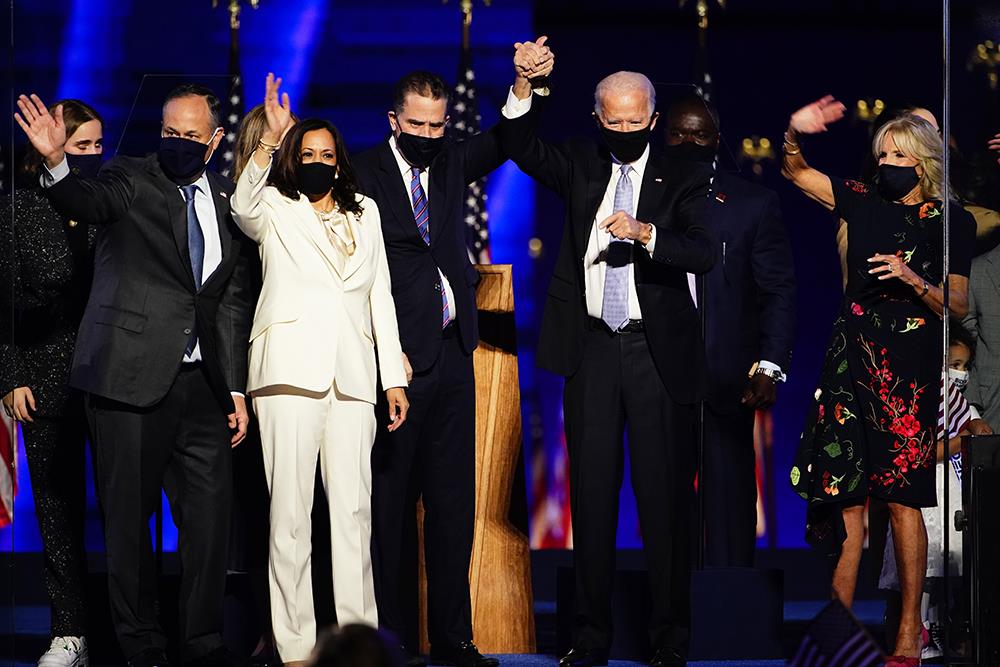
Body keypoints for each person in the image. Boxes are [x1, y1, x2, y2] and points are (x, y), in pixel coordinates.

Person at [14, 86, 252, 667]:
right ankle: (142, 645)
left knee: (209, 522)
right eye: (170, 133)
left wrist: (235, 387)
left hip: (203, 388)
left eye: (191, 136)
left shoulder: (226, 197)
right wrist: (56, 161)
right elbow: (87, 199)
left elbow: (228, 300)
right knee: (128, 524)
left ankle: (203, 642)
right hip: (129, 379)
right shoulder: (130, 177)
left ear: (214, 140)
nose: (178, 143)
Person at [500, 42, 714, 665]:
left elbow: (702, 252)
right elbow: (518, 145)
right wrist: (524, 86)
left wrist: (646, 233)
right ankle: (590, 639)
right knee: (591, 499)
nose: (624, 131)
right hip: (591, 348)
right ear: (598, 119)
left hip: (656, 353)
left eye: (635, 121)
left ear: (653, 119)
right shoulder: (579, 162)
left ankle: (669, 640)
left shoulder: (684, 174)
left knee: (664, 502)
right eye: (613, 122)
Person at [352, 60, 548, 666]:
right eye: (417, 125)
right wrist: (383, 353)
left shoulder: (449, 162)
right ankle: (390, 639)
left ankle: (453, 637)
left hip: (455, 354)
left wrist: (521, 87)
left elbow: (505, 139)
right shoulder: (361, 171)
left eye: (437, 126)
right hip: (396, 362)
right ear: (394, 120)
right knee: (390, 507)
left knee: (452, 504)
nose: (428, 135)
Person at [783, 96, 976, 666]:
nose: (887, 163)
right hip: (850, 357)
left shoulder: (951, 220)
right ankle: (837, 635)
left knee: (901, 499)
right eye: (882, 154)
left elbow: (957, 304)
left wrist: (913, 277)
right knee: (845, 496)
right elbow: (796, 172)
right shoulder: (860, 199)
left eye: (898, 155)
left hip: (906, 365)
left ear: (923, 162)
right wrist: (793, 132)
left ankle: (908, 634)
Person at [230, 74, 409, 667]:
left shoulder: (367, 212)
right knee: (289, 515)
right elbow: (241, 206)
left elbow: (379, 295)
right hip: (287, 374)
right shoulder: (275, 206)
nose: (316, 163)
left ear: (340, 161)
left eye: (326, 155)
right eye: (306, 154)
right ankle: (297, 650)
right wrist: (269, 142)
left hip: (353, 378)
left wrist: (392, 377)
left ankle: (361, 646)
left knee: (354, 515)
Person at [662, 95, 796, 568]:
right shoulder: (640, 197)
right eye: (678, 133)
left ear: (716, 140)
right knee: (664, 502)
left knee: (729, 502)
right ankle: (671, 605)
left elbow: (777, 291)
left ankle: (731, 598)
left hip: (727, 379)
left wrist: (770, 366)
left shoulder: (751, 204)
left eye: (699, 134)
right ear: (663, 135)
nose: (688, 142)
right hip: (655, 378)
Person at [1, 98, 103, 667]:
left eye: (97, 145)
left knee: (123, 509)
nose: (90, 154)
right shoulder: (18, 209)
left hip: (113, 378)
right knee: (57, 513)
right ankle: (70, 632)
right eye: (79, 145)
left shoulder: (109, 203)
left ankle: (131, 629)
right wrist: (11, 376)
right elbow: (3, 303)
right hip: (43, 379)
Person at [880, 320, 993, 660]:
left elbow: (970, 421)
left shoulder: (957, 401)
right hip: (926, 492)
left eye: (965, 366)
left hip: (953, 494)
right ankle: (919, 627)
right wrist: (962, 440)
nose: (960, 373)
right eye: (954, 364)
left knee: (951, 568)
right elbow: (925, 451)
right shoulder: (922, 394)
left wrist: (975, 426)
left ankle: (945, 629)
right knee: (924, 567)